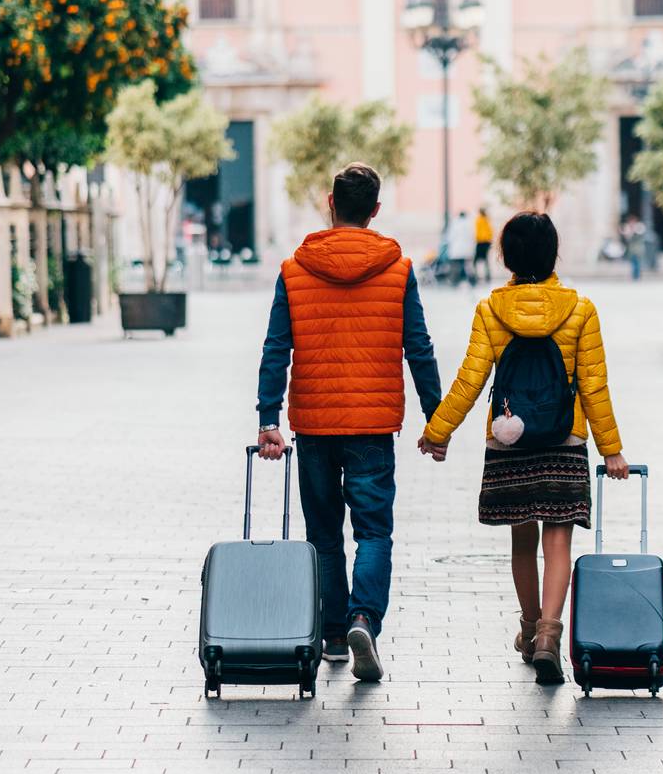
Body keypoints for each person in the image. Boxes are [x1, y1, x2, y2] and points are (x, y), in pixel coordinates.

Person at [416, 212, 630, 685]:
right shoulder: (580, 310)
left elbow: (471, 381)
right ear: (554, 254)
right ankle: (551, 637)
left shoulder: (491, 310)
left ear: (505, 257)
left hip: (509, 438)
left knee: (522, 539)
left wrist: (439, 430)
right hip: (564, 438)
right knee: (558, 540)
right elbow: (595, 387)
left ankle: (530, 629)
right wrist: (611, 449)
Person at [255, 163, 444, 683]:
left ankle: (335, 634)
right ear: (375, 211)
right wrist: (438, 419)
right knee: (374, 531)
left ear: (330, 203)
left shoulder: (295, 269)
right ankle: (364, 618)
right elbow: (419, 348)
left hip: (314, 423)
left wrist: (268, 417)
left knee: (324, 534)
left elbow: (277, 346)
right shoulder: (398, 268)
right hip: (372, 426)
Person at [446, 210, 477, 286]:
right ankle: (472, 281)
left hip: (456, 249)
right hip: (467, 250)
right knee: (469, 267)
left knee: (455, 266)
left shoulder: (454, 224)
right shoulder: (470, 224)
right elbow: (473, 237)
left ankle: (454, 281)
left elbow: (449, 237)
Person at [619, 213, 647, 281]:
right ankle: (635, 275)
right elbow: (627, 238)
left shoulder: (639, 226)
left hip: (638, 248)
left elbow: (640, 234)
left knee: (637, 262)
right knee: (633, 262)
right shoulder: (628, 227)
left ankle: (637, 276)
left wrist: (632, 230)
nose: (631, 222)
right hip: (631, 249)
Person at [472, 208, 493, 283]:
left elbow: (477, 231)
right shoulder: (487, 219)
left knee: (475, 261)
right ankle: (487, 275)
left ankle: (475, 275)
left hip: (480, 242)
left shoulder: (479, 220)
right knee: (485, 259)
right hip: (487, 242)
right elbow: (490, 231)